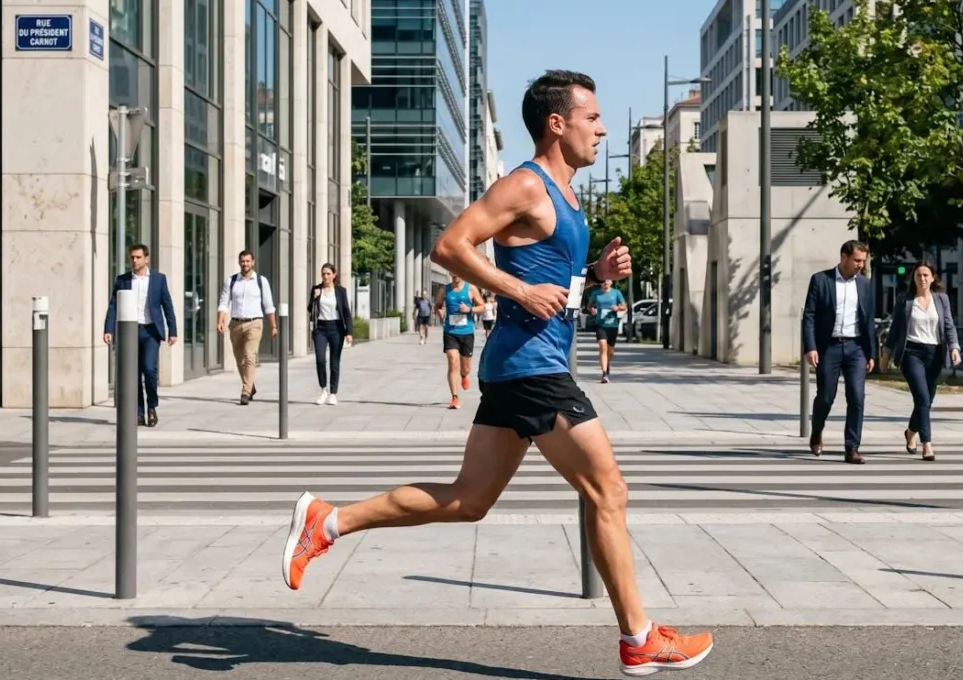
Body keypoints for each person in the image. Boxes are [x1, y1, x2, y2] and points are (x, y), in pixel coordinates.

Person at [280, 69, 713, 677]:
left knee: (468, 500)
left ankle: (327, 520)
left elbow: (553, 283)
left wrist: (596, 275)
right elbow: (451, 246)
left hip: (519, 366)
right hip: (533, 368)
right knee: (608, 490)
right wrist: (519, 290)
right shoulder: (526, 185)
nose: (602, 129)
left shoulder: (566, 198)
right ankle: (639, 639)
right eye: (592, 118)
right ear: (557, 124)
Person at [801, 240, 877, 464]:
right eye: (857, 260)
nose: (860, 265)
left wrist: (871, 353)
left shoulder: (864, 284)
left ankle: (852, 448)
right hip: (829, 347)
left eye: (863, 261)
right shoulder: (820, 280)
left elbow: (868, 320)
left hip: (856, 348)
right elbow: (809, 316)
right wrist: (810, 347)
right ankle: (817, 431)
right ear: (844, 257)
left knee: (857, 397)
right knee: (826, 397)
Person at [881, 262, 960, 461]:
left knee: (926, 401)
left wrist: (954, 347)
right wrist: (885, 355)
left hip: (935, 354)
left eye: (926, 275)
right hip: (911, 353)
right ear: (913, 278)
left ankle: (911, 432)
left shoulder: (941, 299)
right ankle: (927, 444)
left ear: (933, 278)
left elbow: (948, 325)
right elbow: (896, 329)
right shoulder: (905, 299)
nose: (922, 279)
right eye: (918, 275)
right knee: (922, 398)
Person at [103, 244, 178, 427]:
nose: (134, 261)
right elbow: (113, 305)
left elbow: (167, 305)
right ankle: (138, 412)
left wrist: (173, 330)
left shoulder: (159, 279)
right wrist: (108, 329)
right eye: (132, 258)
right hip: (130, 332)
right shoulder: (123, 280)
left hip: (151, 331)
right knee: (134, 374)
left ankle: (152, 406)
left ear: (146, 258)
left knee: (149, 369)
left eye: (138, 257)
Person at [216, 250, 277, 405]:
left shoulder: (261, 281)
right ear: (239, 262)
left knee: (250, 357)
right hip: (235, 323)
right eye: (242, 261)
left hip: (254, 323)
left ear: (253, 262)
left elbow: (269, 305)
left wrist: (273, 326)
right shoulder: (232, 281)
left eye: (248, 261)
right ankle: (250, 386)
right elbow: (224, 302)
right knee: (239, 360)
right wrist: (220, 321)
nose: (245, 264)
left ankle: (245, 392)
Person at [435, 272, 486, 409]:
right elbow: (437, 305)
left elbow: (483, 307)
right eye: (453, 272)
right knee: (453, 361)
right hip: (450, 331)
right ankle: (455, 397)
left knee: (466, 368)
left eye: (458, 271)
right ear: (450, 273)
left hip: (467, 332)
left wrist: (469, 309)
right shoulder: (444, 290)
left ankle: (464, 376)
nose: (455, 274)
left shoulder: (471, 289)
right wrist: (439, 311)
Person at [310, 262, 353, 406]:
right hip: (320, 328)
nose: (326, 277)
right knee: (320, 360)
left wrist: (349, 332)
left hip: (336, 328)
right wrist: (315, 297)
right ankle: (323, 390)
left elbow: (346, 312)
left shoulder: (340, 291)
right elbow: (310, 309)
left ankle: (333, 393)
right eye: (323, 274)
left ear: (334, 275)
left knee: (334, 361)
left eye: (328, 274)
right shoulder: (316, 289)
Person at [588, 279, 627, 382]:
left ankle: (607, 364)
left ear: (611, 282)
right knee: (602, 346)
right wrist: (592, 309)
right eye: (603, 280)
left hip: (612, 325)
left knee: (610, 350)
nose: (605, 282)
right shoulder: (596, 293)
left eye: (608, 280)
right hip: (600, 324)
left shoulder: (616, 293)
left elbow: (624, 306)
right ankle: (604, 373)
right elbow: (590, 305)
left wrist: (617, 308)